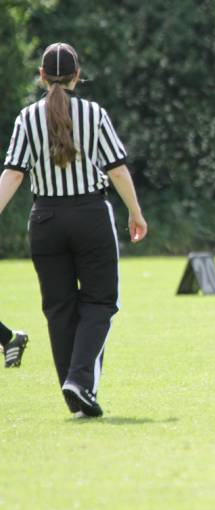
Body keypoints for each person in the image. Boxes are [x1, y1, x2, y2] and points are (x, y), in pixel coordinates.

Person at [0, 43, 147, 417]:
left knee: (59, 308)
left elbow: (13, 174)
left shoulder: (26, 118)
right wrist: (135, 212)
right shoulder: (94, 114)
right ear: (77, 76)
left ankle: (73, 386)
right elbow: (116, 168)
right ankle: (79, 381)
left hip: (45, 219)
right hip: (90, 215)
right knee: (100, 301)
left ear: (42, 76)